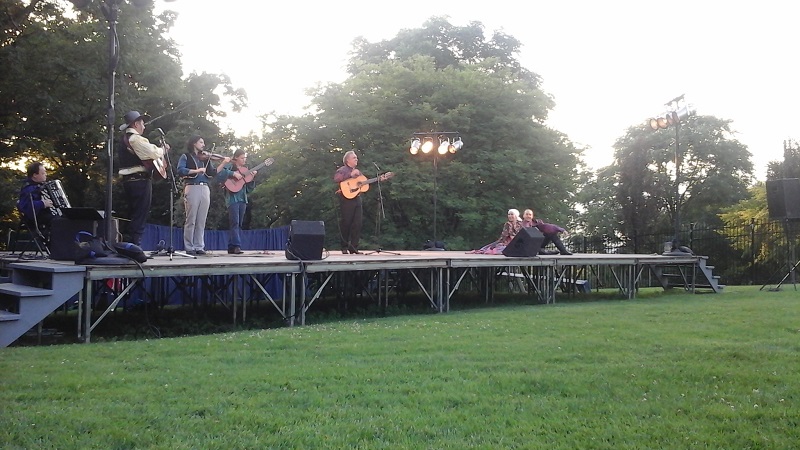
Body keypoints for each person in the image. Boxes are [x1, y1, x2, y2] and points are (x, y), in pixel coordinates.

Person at [117, 110, 168, 247]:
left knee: (134, 213)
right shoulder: (135, 138)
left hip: (131, 180)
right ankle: (134, 245)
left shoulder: (127, 139)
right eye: (142, 124)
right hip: (139, 180)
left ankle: (129, 244)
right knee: (140, 213)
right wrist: (162, 150)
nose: (144, 127)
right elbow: (152, 152)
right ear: (136, 124)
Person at [177, 135, 230, 255]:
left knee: (201, 219)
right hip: (192, 187)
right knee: (191, 219)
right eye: (201, 142)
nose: (203, 145)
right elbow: (180, 170)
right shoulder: (186, 156)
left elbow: (213, 173)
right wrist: (196, 171)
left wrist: (223, 162)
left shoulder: (205, 159)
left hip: (205, 188)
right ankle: (189, 247)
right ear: (194, 143)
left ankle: (199, 246)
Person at [216, 149, 257, 254]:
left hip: (242, 198)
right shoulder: (230, 166)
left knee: (238, 224)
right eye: (242, 158)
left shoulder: (245, 170)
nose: (244, 160)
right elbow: (219, 174)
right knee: (235, 222)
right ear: (236, 158)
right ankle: (237, 246)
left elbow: (248, 189)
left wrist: (252, 179)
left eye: (245, 158)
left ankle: (231, 247)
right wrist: (233, 174)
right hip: (232, 199)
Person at [333, 150, 364, 254]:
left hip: (357, 198)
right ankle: (344, 246)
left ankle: (354, 247)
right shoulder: (342, 170)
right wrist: (350, 175)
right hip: (346, 198)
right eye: (354, 158)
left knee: (357, 223)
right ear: (348, 160)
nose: (356, 159)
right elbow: (337, 179)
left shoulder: (358, 171)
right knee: (346, 222)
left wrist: (379, 179)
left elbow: (363, 183)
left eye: (356, 157)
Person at [17, 161, 55, 238]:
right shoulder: (28, 189)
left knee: (66, 218)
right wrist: (42, 203)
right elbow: (25, 207)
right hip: (34, 219)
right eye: (43, 173)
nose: (46, 175)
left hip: (45, 216)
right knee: (59, 221)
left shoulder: (42, 186)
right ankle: (57, 246)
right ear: (35, 175)